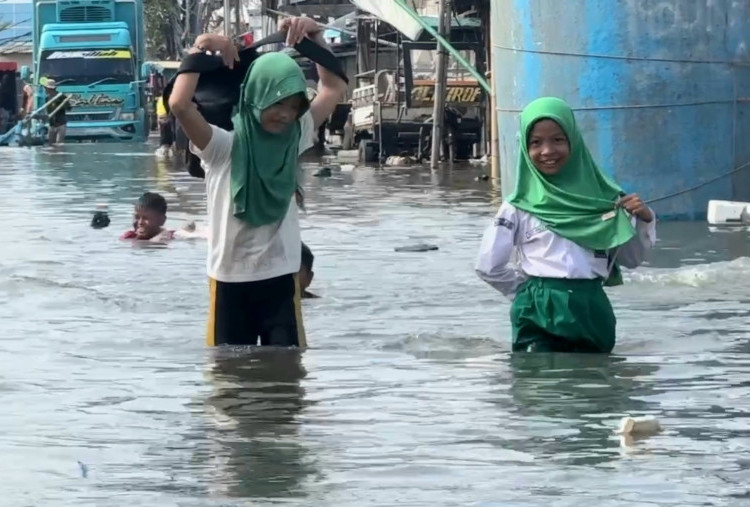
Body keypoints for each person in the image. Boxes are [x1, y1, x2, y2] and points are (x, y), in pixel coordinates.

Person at [168, 17, 346, 347]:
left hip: (280, 277)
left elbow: (333, 87)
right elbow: (179, 104)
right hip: (228, 280)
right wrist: (201, 48)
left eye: (294, 106)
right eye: (277, 103)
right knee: (227, 383)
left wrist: (315, 36)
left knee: (288, 379)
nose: (285, 114)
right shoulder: (222, 147)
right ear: (255, 95)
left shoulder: (297, 135)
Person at [475, 97, 656, 354]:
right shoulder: (518, 205)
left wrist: (644, 221)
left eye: (558, 140)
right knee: (538, 386)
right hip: (537, 309)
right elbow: (488, 266)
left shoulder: (606, 200)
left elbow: (630, 259)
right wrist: (528, 294)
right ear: (525, 149)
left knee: (597, 387)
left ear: (574, 141)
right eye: (536, 142)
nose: (548, 151)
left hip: (592, 308)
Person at [120, 192, 202, 242]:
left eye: (146, 218)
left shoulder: (170, 236)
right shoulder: (129, 236)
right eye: (137, 217)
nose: (140, 222)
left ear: (162, 220)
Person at [43, 79, 71, 145]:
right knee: (51, 145)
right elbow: (48, 111)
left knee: (59, 144)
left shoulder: (61, 96)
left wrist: (62, 104)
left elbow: (69, 108)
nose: (45, 90)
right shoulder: (47, 98)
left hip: (61, 125)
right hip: (52, 125)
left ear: (50, 89)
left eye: (46, 88)